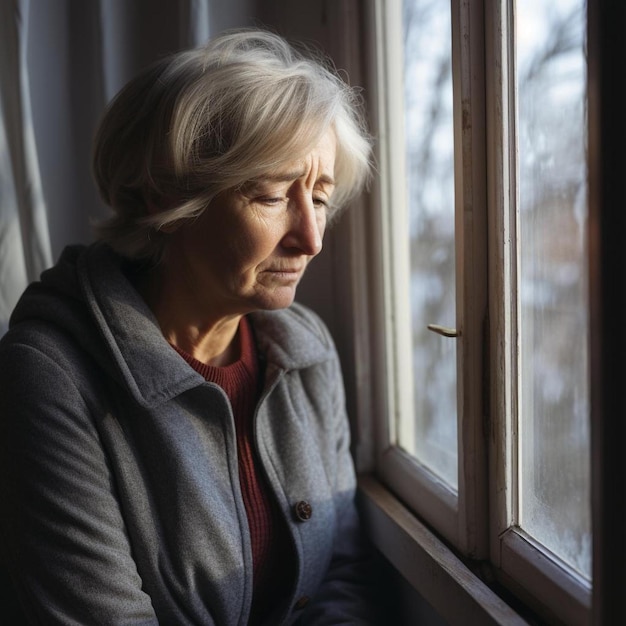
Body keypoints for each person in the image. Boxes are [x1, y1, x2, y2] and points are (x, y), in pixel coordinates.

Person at [0, 29, 374, 625]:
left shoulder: (304, 350)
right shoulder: (47, 379)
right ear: (163, 199)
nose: (311, 238)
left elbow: (343, 574)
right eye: (273, 194)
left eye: (321, 197)